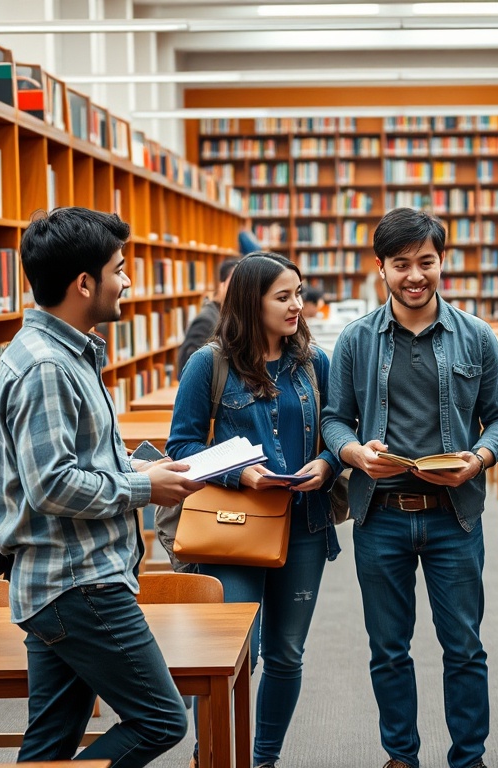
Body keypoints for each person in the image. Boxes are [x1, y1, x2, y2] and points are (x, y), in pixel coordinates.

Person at [0, 207, 204, 765]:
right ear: (85, 283)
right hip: (78, 582)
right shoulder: (47, 367)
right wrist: (143, 489)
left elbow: (84, 456)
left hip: (63, 583)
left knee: (49, 745)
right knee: (161, 719)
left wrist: (143, 470)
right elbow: (52, 485)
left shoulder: (68, 353)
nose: (126, 281)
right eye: (119, 269)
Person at [320, 207, 498, 768]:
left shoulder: (476, 336)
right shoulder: (356, 340)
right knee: (388, 650)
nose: (414, 275)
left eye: (426, 262)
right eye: (401, 263)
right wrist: (354, 453)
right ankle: (401, 757)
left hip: (453, 514)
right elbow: (335, 419)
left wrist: (478, 459)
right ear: (380, 267)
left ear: (442, 262)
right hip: (380, 515)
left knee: (465, 647)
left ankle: (469, 759)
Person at [166, 252, 342, 768]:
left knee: (287, 654)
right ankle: (211, 755)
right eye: (283, 296)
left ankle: (262, 759)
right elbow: (181, 446)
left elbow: (336, 430)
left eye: (299, 293)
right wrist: (238, 473)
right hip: (233, 528)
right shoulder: (210, 363)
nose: (296, 305)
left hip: (304, 523)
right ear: (251, 301)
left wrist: (328, 464)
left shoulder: (314, 363)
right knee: (236, 654)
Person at [176, 255, 240, 376]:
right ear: (221, 285)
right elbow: (189, 367)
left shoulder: (227, 317)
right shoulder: (206, 321)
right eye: (234, 283)